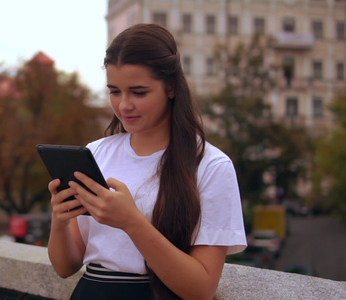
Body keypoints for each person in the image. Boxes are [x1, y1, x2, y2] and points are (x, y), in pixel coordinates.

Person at [47, 23, 247, 300]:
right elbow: (65, 267)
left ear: (171, 88)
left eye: (138, 92)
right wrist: (59, 220)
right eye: (115, 91)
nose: (124, 105)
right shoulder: (96, 153)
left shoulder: (211, 165)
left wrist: (131, 222)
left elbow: (201, 290)